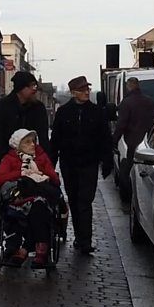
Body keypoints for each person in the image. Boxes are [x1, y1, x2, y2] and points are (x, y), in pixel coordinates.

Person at [50, 76, 113, 254]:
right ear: (73, 92)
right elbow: (55, 140)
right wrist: (50, 163)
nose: (87, 92)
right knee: (74, 200)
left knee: (85, 201)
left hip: (88, 163)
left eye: (87, 89)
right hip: (69, 163)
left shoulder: (97, 112)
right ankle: (79, 236)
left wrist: (106, 160)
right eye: (82, 89)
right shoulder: (63, 113)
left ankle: (85, 240)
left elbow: (105, 138)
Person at [0, 129, 62, 268]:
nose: (32, 144)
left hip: (38, 198)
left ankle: (31, 250)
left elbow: (55, 179)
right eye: (27, 142)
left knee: (38, 208)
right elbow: (0, 179)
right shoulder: (10, 159)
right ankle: (15, 247)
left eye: (33, 141)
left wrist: (40, 172)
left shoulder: (41, 157)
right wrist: (21, 173)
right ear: (18, 145)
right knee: (14, 213)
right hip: (18, 199)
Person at [0, 71, 50, 169]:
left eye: (35, 85)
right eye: (31, 86)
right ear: (21, 88)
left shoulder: (38, 108)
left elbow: (43, 137)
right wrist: (2, 159)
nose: (35, 89)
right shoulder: (3, 106)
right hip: (6, 160)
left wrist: (46, 160)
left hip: (32, 161)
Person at [112, 77, 154, 189]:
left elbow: (121, 125)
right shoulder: (150, 101)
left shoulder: (126, 103)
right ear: (138, 86)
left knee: (129, 170)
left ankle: (132, 192)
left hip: (132, 142)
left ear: (128, 87)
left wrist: (114, 141)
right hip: (150, 142)